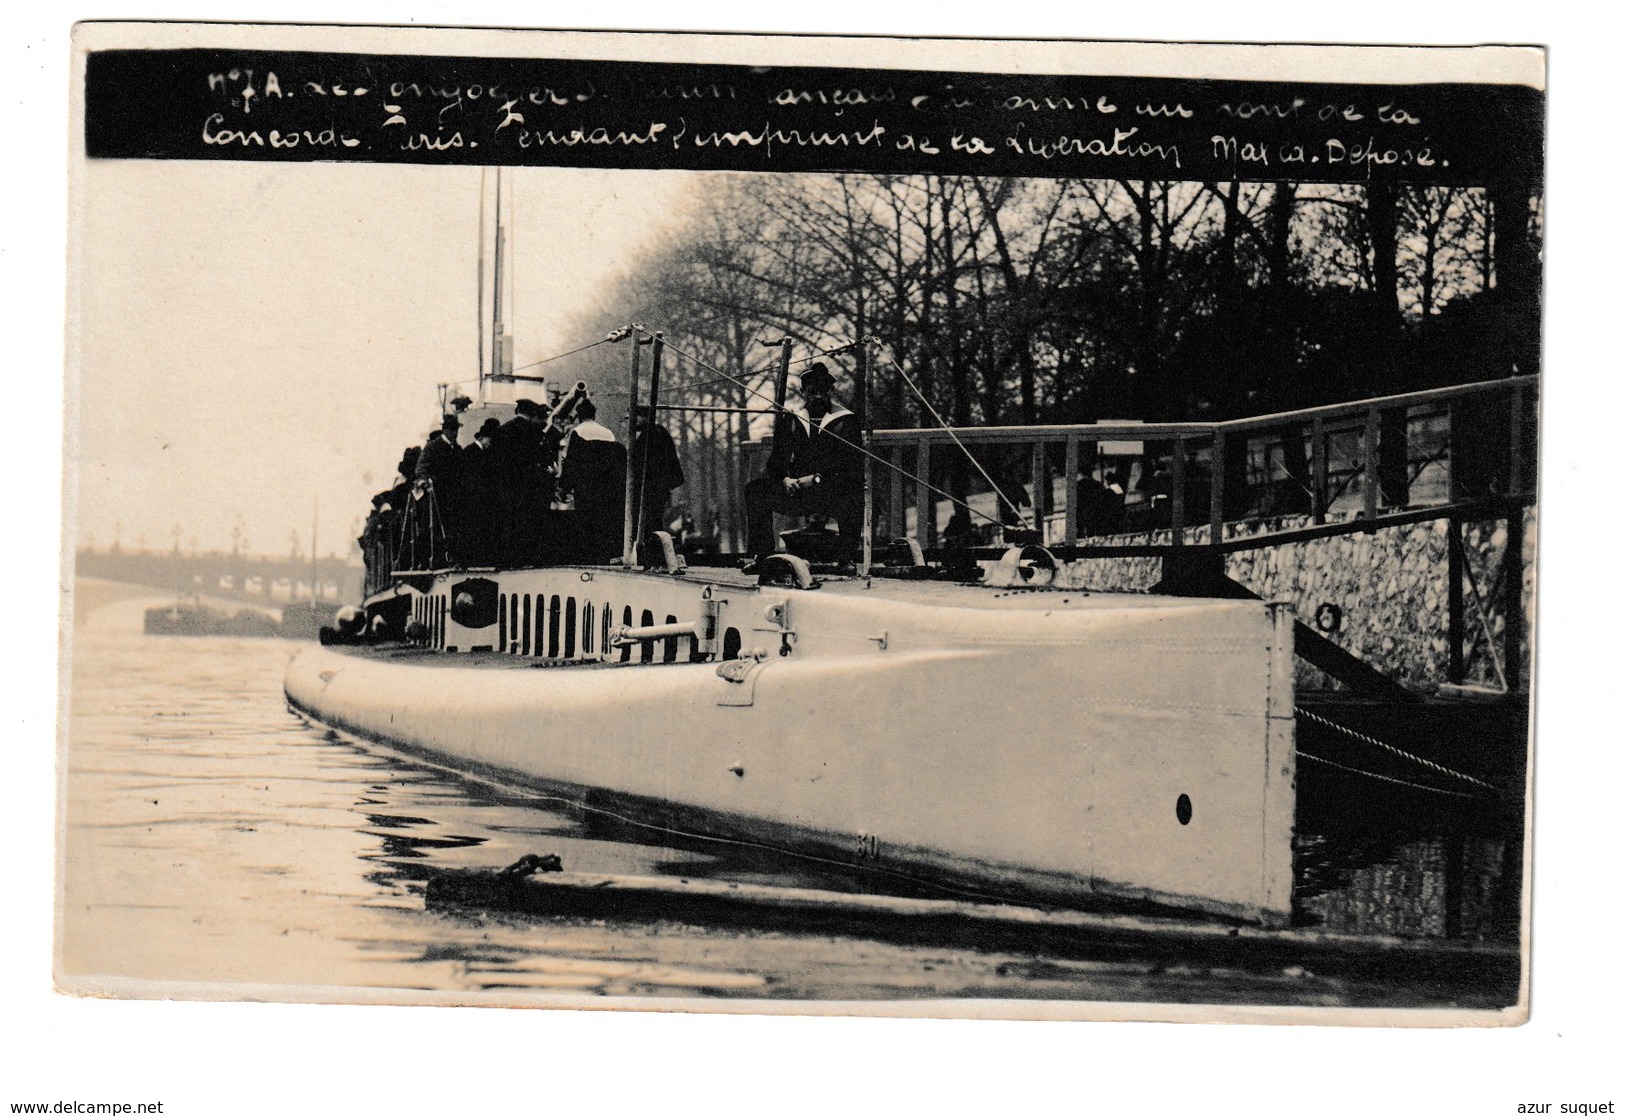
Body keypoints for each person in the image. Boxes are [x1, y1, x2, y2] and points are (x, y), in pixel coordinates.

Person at [743, 361, 863, 563]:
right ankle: (764, 555)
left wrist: (817, 479)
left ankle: (846, 557)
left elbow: (851, 466)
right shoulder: (791, 420)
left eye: (823, 391)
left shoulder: (846, 421)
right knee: (755, 491)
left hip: (831, 491)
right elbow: (776, 462)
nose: (817, 396)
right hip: (798, 492)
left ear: (831, 391)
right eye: (812, 391)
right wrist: (784, 479)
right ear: (803, 392)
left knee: (854, 493)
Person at [556, 398, 627, 562]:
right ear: (594, 415)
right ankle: (606, 555)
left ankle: (589, 556)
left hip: (587, 488)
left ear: (579, 416)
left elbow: (572, 463)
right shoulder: (608, 434)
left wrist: (564, 487)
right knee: (605, 521)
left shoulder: (578, 432)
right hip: (609, 488)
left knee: (587, 523)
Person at [630, 405, 685, 548]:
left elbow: (644, 464)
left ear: (643, 417)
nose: (631, 422)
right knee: (654, 520)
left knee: (650, 522)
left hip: (651, 487)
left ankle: (653, 554)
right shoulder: (660, 432)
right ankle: (654, 552)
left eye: (635, 417)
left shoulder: (649, 436)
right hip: (660, 486)